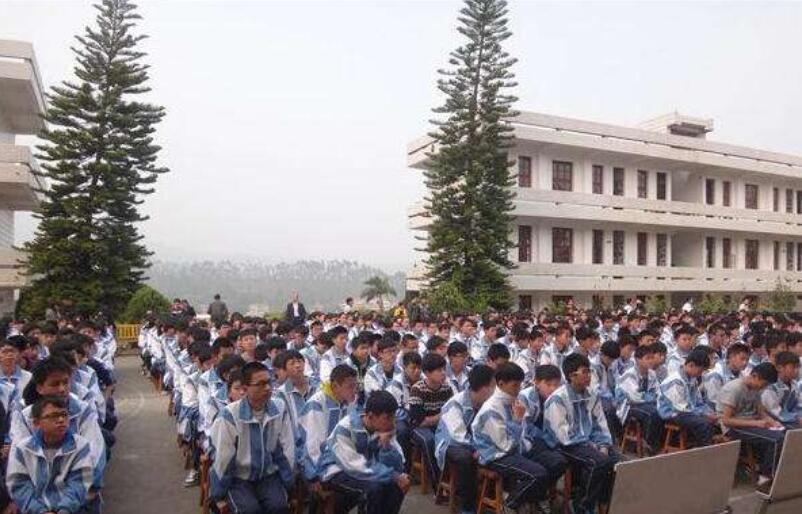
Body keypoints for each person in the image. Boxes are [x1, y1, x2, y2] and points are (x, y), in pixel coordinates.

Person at [209, 362, 294, 514]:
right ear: (244, 389)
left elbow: (286, 447)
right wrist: (218, 494)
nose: (267, 388)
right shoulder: (229, 416)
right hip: (238, 478)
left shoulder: (279, 408)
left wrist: (289, 482)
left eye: (269, 382)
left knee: (278, 507)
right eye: (260, 384)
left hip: (267, 475)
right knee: (250, 510)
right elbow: (223, 458)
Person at [544, 354, 618, 514]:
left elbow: (600, 423)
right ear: (571, 376)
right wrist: (592, 446)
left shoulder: (592, 394)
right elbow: (562, 435)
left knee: (616, 461)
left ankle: (604, 502)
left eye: (589, 371)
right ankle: (582, 506)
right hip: (565, 445)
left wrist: (603, 444)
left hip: (587, 443)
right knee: (598, 462)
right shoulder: (558, 399)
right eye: (584, 372)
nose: (589, 376)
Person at [472, 362, 550, 513]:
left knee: (554, 460)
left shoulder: (512, 399)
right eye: (515, 385)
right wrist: (517, 421)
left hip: (515, 449)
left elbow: (524, 434)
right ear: (501, 384)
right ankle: (510, 503)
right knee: (538, 473)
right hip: (495, 456)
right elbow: (506, 446)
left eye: (520, 385)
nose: (519, 389)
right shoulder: (491, 410)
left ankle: (531, 500)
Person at [319, 390, 410, 514]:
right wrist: (394, 476)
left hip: (367, 469)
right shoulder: (346, 428)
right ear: (371, 416)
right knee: (374, 488)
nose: (392, 422)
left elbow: (398, 465)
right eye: (388, 418)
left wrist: (386, 446)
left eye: (393, 417)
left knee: (397, 486)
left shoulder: (385, 428)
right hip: (336, 470)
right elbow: (355, 466)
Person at [6, 396, 95, 514]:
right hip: (34, 509)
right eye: (53, 416)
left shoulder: (80, 446)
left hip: (71, 509)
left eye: (64, 414)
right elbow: (19, 484)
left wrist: (64, 509)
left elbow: (79, 483)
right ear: (36, 423)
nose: (61, 420)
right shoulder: (23, 449)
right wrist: (39, 511)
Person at [434, 365, 495, 514]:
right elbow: (458, 435)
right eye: (493, 386)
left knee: (496, 453)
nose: (496, 390)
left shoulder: (487, 404)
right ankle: (467, 506)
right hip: (450, 443)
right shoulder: (456, 403)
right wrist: (477, 449)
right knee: (465, 459)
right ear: (484, 388)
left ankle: (490, 496)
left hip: (474, 444)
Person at [717, 362, 784, 489]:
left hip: (750, 422)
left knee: (786, 433)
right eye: (763, 384)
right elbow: (726, 420)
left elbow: (760, 411)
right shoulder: (735, 388)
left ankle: (776, 471)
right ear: (754, 376)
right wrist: (757, 423)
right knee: (776, 440)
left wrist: (771, 421)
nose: (763, 388)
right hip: (734, 427)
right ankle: (765, 479)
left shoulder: (756, 388)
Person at [518, 364, 568, 514]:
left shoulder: (558, 397)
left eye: (556, 384)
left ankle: (542, 493)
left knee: (565, 458)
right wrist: (547, 438)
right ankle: (538, 495)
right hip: (528, 441)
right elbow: (525, 427)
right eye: (548, 384)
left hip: (549, 440)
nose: (552, 388)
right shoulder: (525, 397)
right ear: (536, 382)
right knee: (555, 461)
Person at [298, 364, 358, 486]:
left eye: (356, 386)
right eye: (350, 387)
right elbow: (313, 447)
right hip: (317, 463)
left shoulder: (348, 401)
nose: (354, 391)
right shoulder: (317, 404)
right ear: (335, 386)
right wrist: (316, 476)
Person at [408, 352, 453, 492]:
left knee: (455, 440)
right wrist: (440, 416)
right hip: (418, 428)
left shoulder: (446, 388)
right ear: (427, 372)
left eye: (443, 369)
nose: (443, 373)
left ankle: (453, 481)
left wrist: (440, 418)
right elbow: (419, 421)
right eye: (439, 370)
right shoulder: (417, 389)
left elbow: (451, 413)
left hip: (439, 425)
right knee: (429, 440)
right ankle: (437, 484)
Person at [657, 347, 716, 447]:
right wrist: (703, 414)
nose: (700, 374)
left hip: (688, 411)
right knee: (703, 423)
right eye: (700, 371)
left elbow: (698, 402)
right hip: (673, 413)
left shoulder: (692, 379)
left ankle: (699, 446)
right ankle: (705, 451)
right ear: (691, 365)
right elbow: (680, 407)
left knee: (713, 419)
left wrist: (708, 412)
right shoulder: (675, 380)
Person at [615, 345, 663, 453]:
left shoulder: (651, 373)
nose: (651, 361)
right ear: (637, 359)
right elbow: (634, 397)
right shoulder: (629, 374)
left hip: (646, 403)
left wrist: (653, 398)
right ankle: (648, 443)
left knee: (661, 410)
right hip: (628, 406)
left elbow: (658, 392)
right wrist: (651, 397)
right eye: (648, 358)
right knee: (653, 413)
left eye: (652, 357)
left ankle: (656, 442)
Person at [761, 351, 801, 427]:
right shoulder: (771, 388)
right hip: (775, 421)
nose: (796, 370)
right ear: (779, 368)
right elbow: (776, 412)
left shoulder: (794, 384)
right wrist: (797, 418)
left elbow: (799, 405)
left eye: (798, 367)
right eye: (793, 367)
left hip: (792, 419)